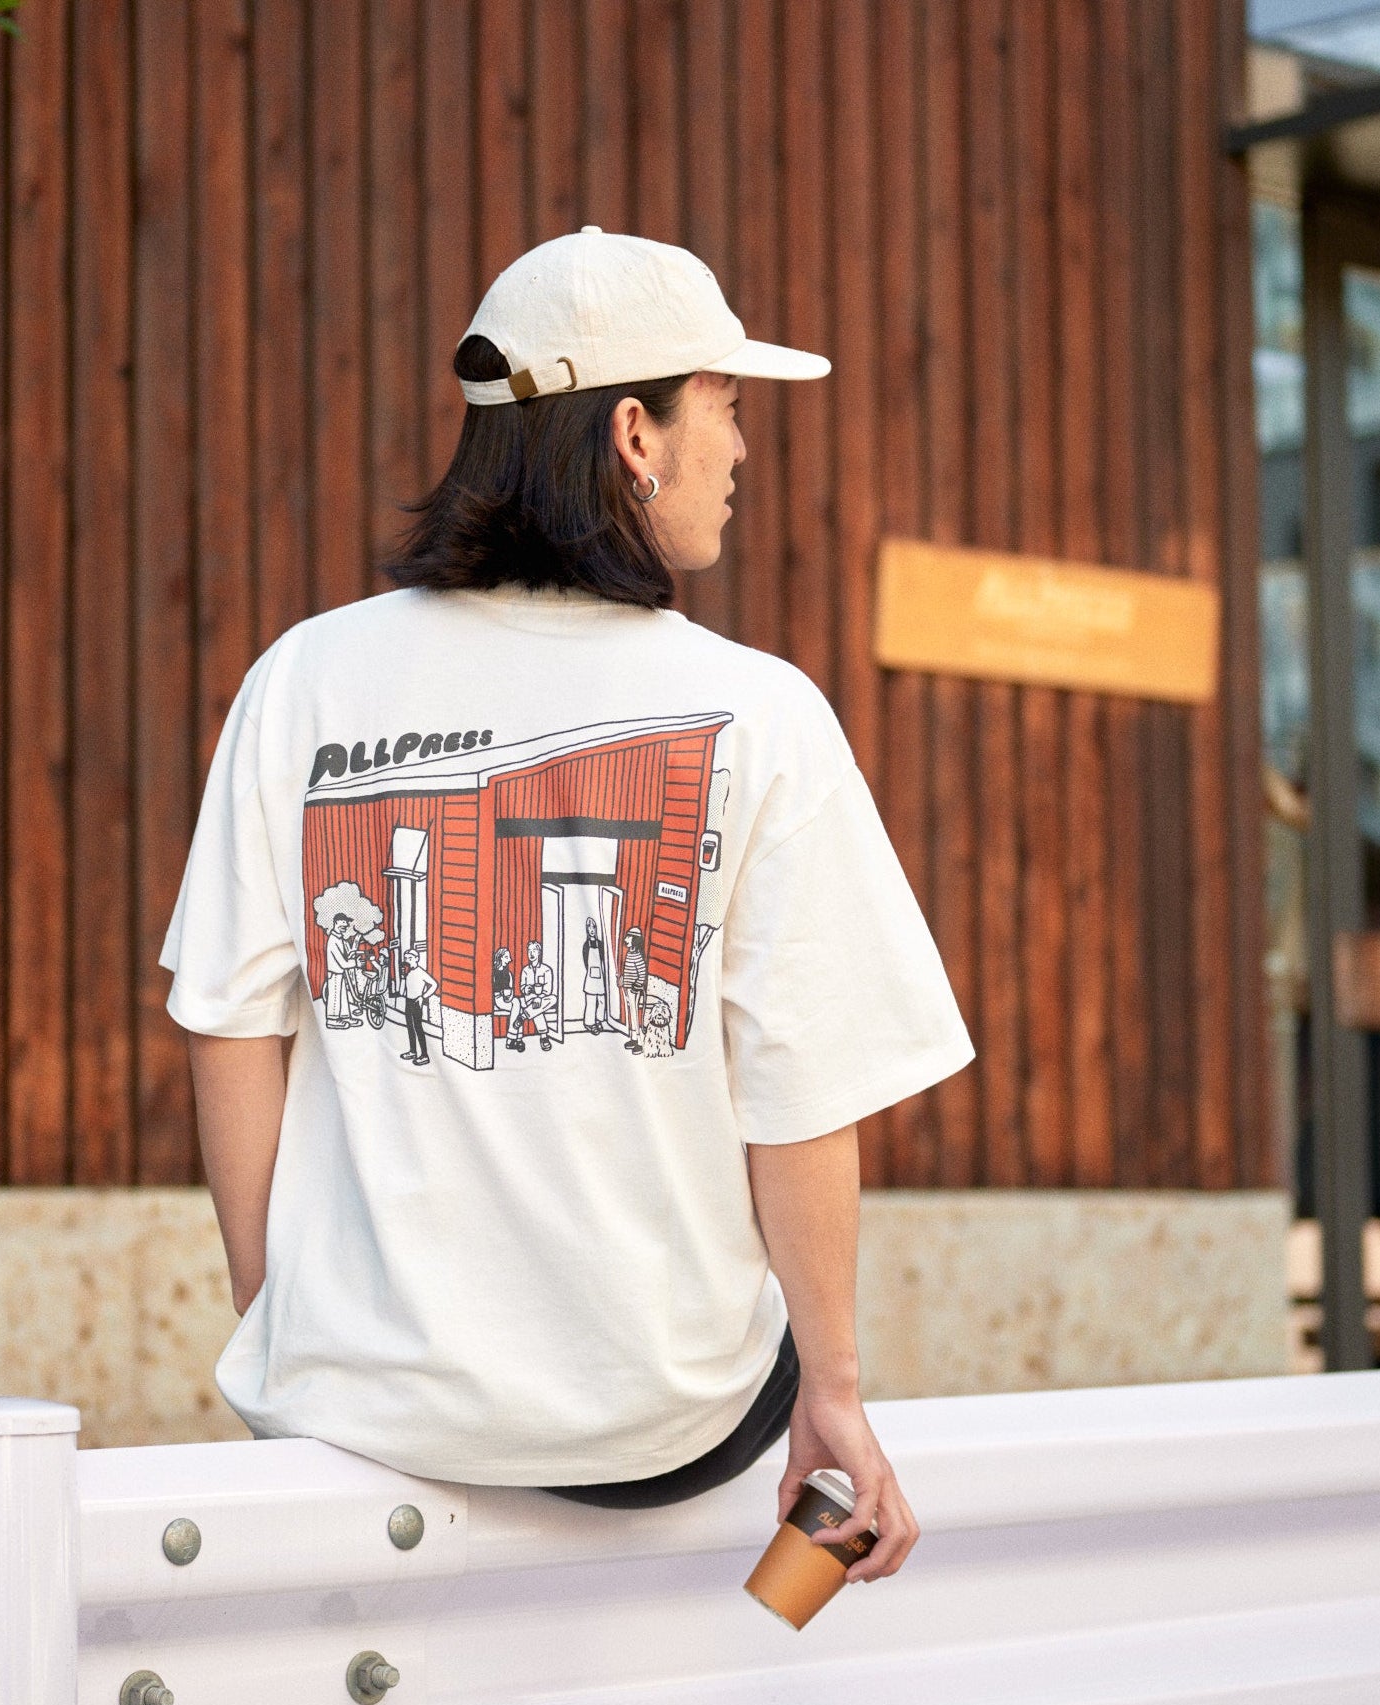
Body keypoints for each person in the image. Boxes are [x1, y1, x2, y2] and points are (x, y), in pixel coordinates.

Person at [160, 226, 974, 1587]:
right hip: (662, 1423)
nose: (742, 450)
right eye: (727, 406)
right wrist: (834, 1391)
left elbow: (228, 1023)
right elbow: (796, 1093)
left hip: (360, 1402)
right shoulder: (759, 712)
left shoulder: (302, 679)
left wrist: (276, 1310)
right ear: (637, 435)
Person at [400, 947, 437, 1066]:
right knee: (410, 1027)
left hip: (416, 1002)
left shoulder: (420, 972)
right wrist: (403, 977)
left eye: (410, 958)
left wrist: (423, 996)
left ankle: (424, 1055)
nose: (407, 960)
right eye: (406, 958)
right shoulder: (408, 973)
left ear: (416, 959)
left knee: (418, 1028)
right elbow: (401, 991)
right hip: (408, 1001)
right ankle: (413, 1051)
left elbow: (434, 984)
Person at [581, 917, 607, 1033]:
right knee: (591, 1001)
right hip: (591, 977)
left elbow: (603, 959)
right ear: (587, 929)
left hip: (600, 977)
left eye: (593, 927)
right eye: (589, 927)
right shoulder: (586, 945)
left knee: (601, 1000)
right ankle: (589, 1023)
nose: (592, 930)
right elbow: (586, 962)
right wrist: (591, 971)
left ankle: (598, 1020)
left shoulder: (600, 944)